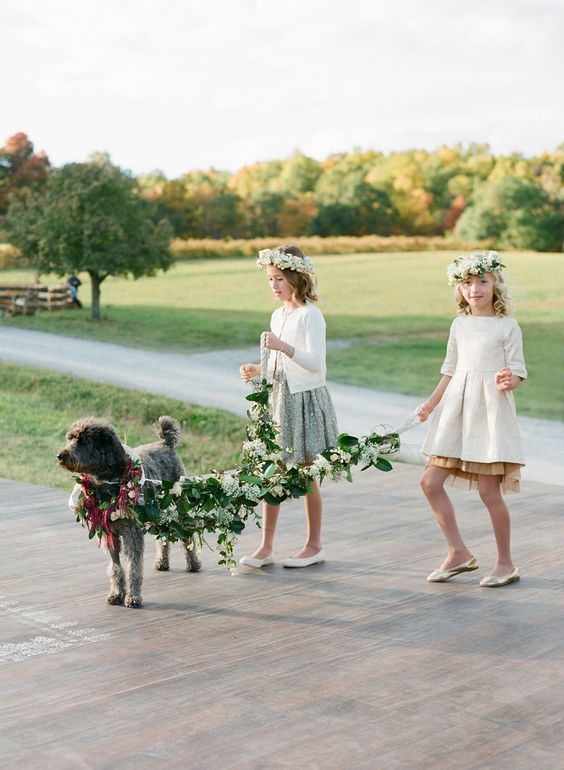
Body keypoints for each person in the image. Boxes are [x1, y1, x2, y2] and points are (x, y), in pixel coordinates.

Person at [419, 251, 527, 587]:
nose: (475, 289)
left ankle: (506, 564)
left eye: (483, 281)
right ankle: (458, 553)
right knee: (429, 482)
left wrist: (511, 380)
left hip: (489, 414)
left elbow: (519, 370)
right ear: (460, 288)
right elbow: (450, 368)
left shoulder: (507, 326)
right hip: (455, 412)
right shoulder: (459, 325)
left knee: (488, 492)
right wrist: (431, 403)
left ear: (496, 284)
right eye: (468, 282)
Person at [238, 244, 339, 569]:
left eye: (279, 278)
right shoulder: (278, 315)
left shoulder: (311, 315)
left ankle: (314, 545)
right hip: (281, 399)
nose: (274, 286)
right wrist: (259, 370)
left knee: (307, 473)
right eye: (270, 279)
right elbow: (279, 363)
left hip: (306, 400)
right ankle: (265, 547)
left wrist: (283, 346)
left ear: (296, 277)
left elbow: (316, 365)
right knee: (273, 472)